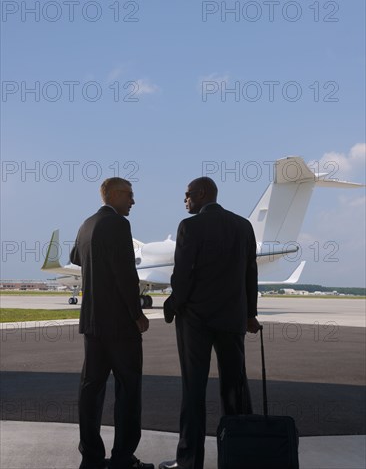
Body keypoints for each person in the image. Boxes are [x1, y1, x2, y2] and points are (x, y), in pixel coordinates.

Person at [159, 177, 261, 469]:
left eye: (188, 194)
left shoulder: (189, 227)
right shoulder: (243, 226)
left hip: (195, 320)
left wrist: (173, 305)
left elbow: (182, 276)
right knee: (235, 388)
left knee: (193, 390)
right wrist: (250, 313)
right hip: (232, 319)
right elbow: (249, 274)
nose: (185, 200)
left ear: (202, 194)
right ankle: (240, 457)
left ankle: (190, 461)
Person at [70, 177, 154, 469]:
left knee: (90, 389)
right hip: (119, 324)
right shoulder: (118, 224)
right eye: (130, 194)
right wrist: (137, 314)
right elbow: (125, 274)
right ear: (115, 195)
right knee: (128, 391)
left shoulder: (86, 224)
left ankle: (91, 457)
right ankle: (122, 458)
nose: (133, 200)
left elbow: (76, 257)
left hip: (92, 323)